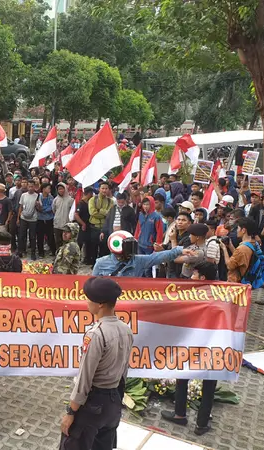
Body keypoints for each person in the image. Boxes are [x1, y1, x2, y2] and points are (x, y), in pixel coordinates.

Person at [60, 277, 133, 450]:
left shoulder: (96, 334)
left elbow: (84, 380)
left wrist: (71, 412)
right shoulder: (126, 329)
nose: (86, 302)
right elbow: (124, 370)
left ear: (100, 304)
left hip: (93, 405)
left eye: (89, 298)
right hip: (113, 403)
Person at [161, 261, 221, 435]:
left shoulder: (190, 296)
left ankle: (180, 414)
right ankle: (201, 424)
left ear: (202, 278)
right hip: (212, 346)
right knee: (208, 385)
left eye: (194, 274)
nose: (191, 276)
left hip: (192, 345)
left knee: (183, 375)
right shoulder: (223, 294)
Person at [93, 230, 189, 278]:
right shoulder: (101, 263)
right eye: (129, 246)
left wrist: (179, 250)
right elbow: (92, 285)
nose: (133, 249)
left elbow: (158, 257)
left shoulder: (138, 260)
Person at [221, 217, 258, 283]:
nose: (237, 231)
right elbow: (240, 259)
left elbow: (229, 265)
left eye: (238, 228)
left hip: (237, 282)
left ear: (243, 230)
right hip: (246, 280)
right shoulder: (253, 243)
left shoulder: (242, 248)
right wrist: (230, 246)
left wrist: (224, 248)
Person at [88, 183, 113, 260]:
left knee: (104, 248)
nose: (104, 190)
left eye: (106, 188)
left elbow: (109, 214)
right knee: (93, 247)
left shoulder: (110, 201)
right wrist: (104, 213)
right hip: (94, 227)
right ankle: (94, 263)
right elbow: (92, 212)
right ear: (99, 189)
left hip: (104, 228)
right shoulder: (92, 200)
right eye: (103, 188)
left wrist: (99, 210)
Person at [17, 179, 40, 260]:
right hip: (23, 217)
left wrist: (38, 205)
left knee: (32, 237)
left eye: (32, 186)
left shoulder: (37, 196)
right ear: (27, 186)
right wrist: (18, 218)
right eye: (29, 186)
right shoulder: (23, 195)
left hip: (33, 219)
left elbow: (40, 209)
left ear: (34, 187)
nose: (30, 188)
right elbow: (20, 206)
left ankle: (33, 253)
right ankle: (21, 251)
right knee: (22, 235)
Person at [36, 183, 56, 258]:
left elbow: (52, 207)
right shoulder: (39, 196)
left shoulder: (51, 197)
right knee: (40, 236)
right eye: (48, 188)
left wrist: (43, 209)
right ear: (43, 189)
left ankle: (53, 250)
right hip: (40, 219)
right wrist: (43, 209)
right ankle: (41, 252)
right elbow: (37, 206)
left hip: (49, 219)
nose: (49, 190)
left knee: (50, 236)